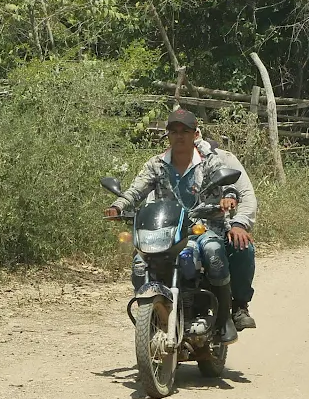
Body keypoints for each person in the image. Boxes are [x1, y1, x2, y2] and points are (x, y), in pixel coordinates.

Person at [107, 108, 259, 335]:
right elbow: (135, 191)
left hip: (203, 227)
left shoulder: (209, 162)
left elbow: (228, 184)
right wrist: (118, 206)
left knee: (214, 251)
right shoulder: (156, 165)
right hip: (166, 230)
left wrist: (228, 197)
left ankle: (224, 320)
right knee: (140, 262)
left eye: (185, 131)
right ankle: (152, 315)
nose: (179, 136)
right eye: (174, 131)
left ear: (195, 134)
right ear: (167, 135)